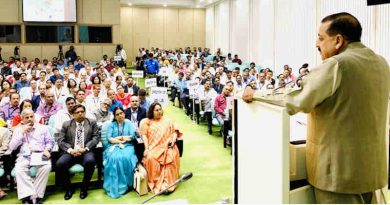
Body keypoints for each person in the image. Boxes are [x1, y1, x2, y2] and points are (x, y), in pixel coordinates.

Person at [242, 12, 390, 203]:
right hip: (371, 171)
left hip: (338, 176)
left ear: (338, 40)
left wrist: (255, 93)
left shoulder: (336, 64)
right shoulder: (381, 63)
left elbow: (295, 99)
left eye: (321, 38)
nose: (316, 44)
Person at [9, 109, 53, 204]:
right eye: (27, 117)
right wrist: (21, 133)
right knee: (19, 170)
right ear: (22, 119)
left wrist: (47, 149)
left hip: (40, 153)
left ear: (34, 117)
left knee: (47, 166)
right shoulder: (18, 130)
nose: (30, 119)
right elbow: (12, 147)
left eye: (31, 117)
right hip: (24, 156)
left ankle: (35, 197)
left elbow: (49, 142)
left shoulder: (43, 128)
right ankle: (27, 196)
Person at [56, 105, 99, 200]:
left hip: (85, 151)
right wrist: (71, 150)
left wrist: (86, 148)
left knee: (90, 161)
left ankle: (84, 187)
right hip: (71, 151)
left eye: (82, 111)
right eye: (77, 112)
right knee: (60, 164)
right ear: (72, 115)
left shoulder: (92, 122)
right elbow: (60, 140)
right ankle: (69, 189)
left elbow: (96, 138)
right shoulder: (66, 124)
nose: (80, 114)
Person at [139, 102, 183, 194]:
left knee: (170, 159)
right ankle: (156, 184)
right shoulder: (146, 122)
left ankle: (166, 185)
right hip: (154, 147)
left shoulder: (168, 120)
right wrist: (146, 149)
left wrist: (173, 140)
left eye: (160, 109)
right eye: (156, 110)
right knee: (150, 158)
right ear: (152, 111)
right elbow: (144, 136)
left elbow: (175, 131)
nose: (159, 112)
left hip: (168, 146)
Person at [103, 107, 138, 198]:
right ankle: (114, 185)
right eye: (117, 114)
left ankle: (126, 184)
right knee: (114, 158)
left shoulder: (129, 123)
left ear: (124, 113)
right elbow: (109, 138)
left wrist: (120, 138)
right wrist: (119, 140)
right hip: (113, 146)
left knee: (125, 157)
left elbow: (132, 136)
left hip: (128, 146)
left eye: (121, 113)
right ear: (114, 116)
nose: (119, 115)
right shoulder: (112, 125)